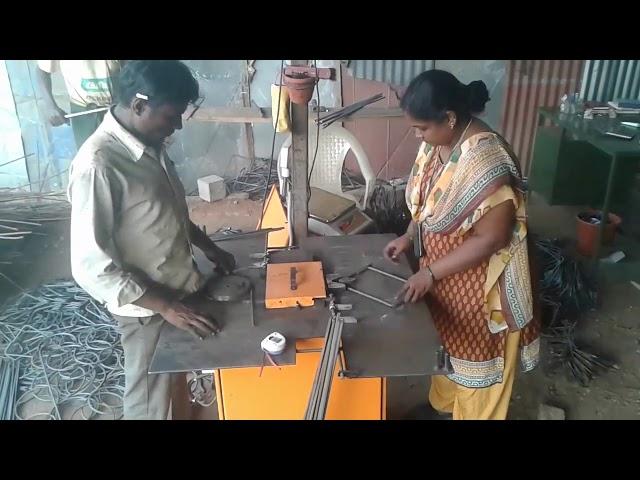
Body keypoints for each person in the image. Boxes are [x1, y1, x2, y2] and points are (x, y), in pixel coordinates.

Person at [68, 60, 235, 420]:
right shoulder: (99, 165)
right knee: (151, 405)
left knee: (175, 392)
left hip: (178, 292)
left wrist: (210, 247)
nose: (175, 127)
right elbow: (91, 268)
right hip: (147, 311)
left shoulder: (150, 143)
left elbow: (167, 213)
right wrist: (165, 306)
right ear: (139, 106)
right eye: (170, 116)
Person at [383, 70, 540, 420]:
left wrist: (432, 274)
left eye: (422, 128)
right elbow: (426, 203)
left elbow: (492, 238)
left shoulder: (487, 160)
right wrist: (409, 236)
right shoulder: (437, 144)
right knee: (450, 350)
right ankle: (444, 409)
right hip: (447, 276)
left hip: (486, 287)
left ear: (450, 118)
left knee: (480, 365)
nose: (418, 136)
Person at [36, 60, 124, 148]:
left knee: (127, 155)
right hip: (83, 112)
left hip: (120, 108)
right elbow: (42, 71)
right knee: (89, 158)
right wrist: (51, 106)